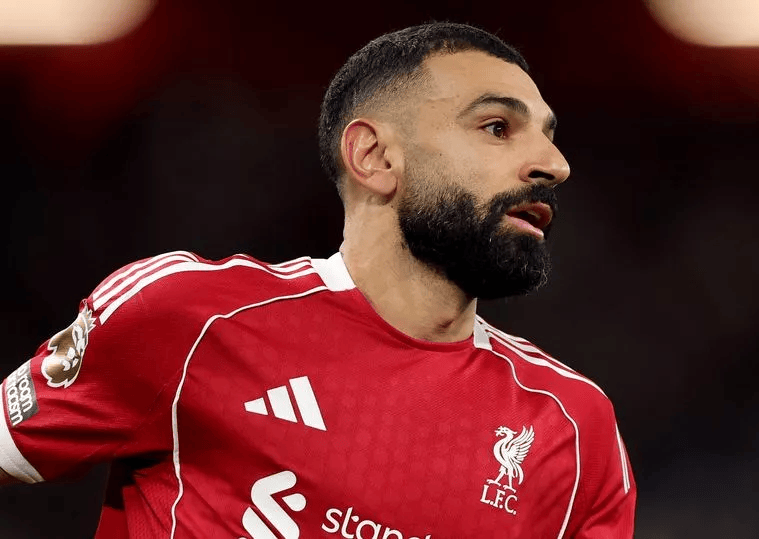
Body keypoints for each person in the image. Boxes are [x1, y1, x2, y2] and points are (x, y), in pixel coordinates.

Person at [0, 21, 636, 538]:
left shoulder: (573, 430)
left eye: (549, 137)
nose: (555, 164)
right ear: (374, 157)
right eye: (498, 128)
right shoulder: (188, 318)